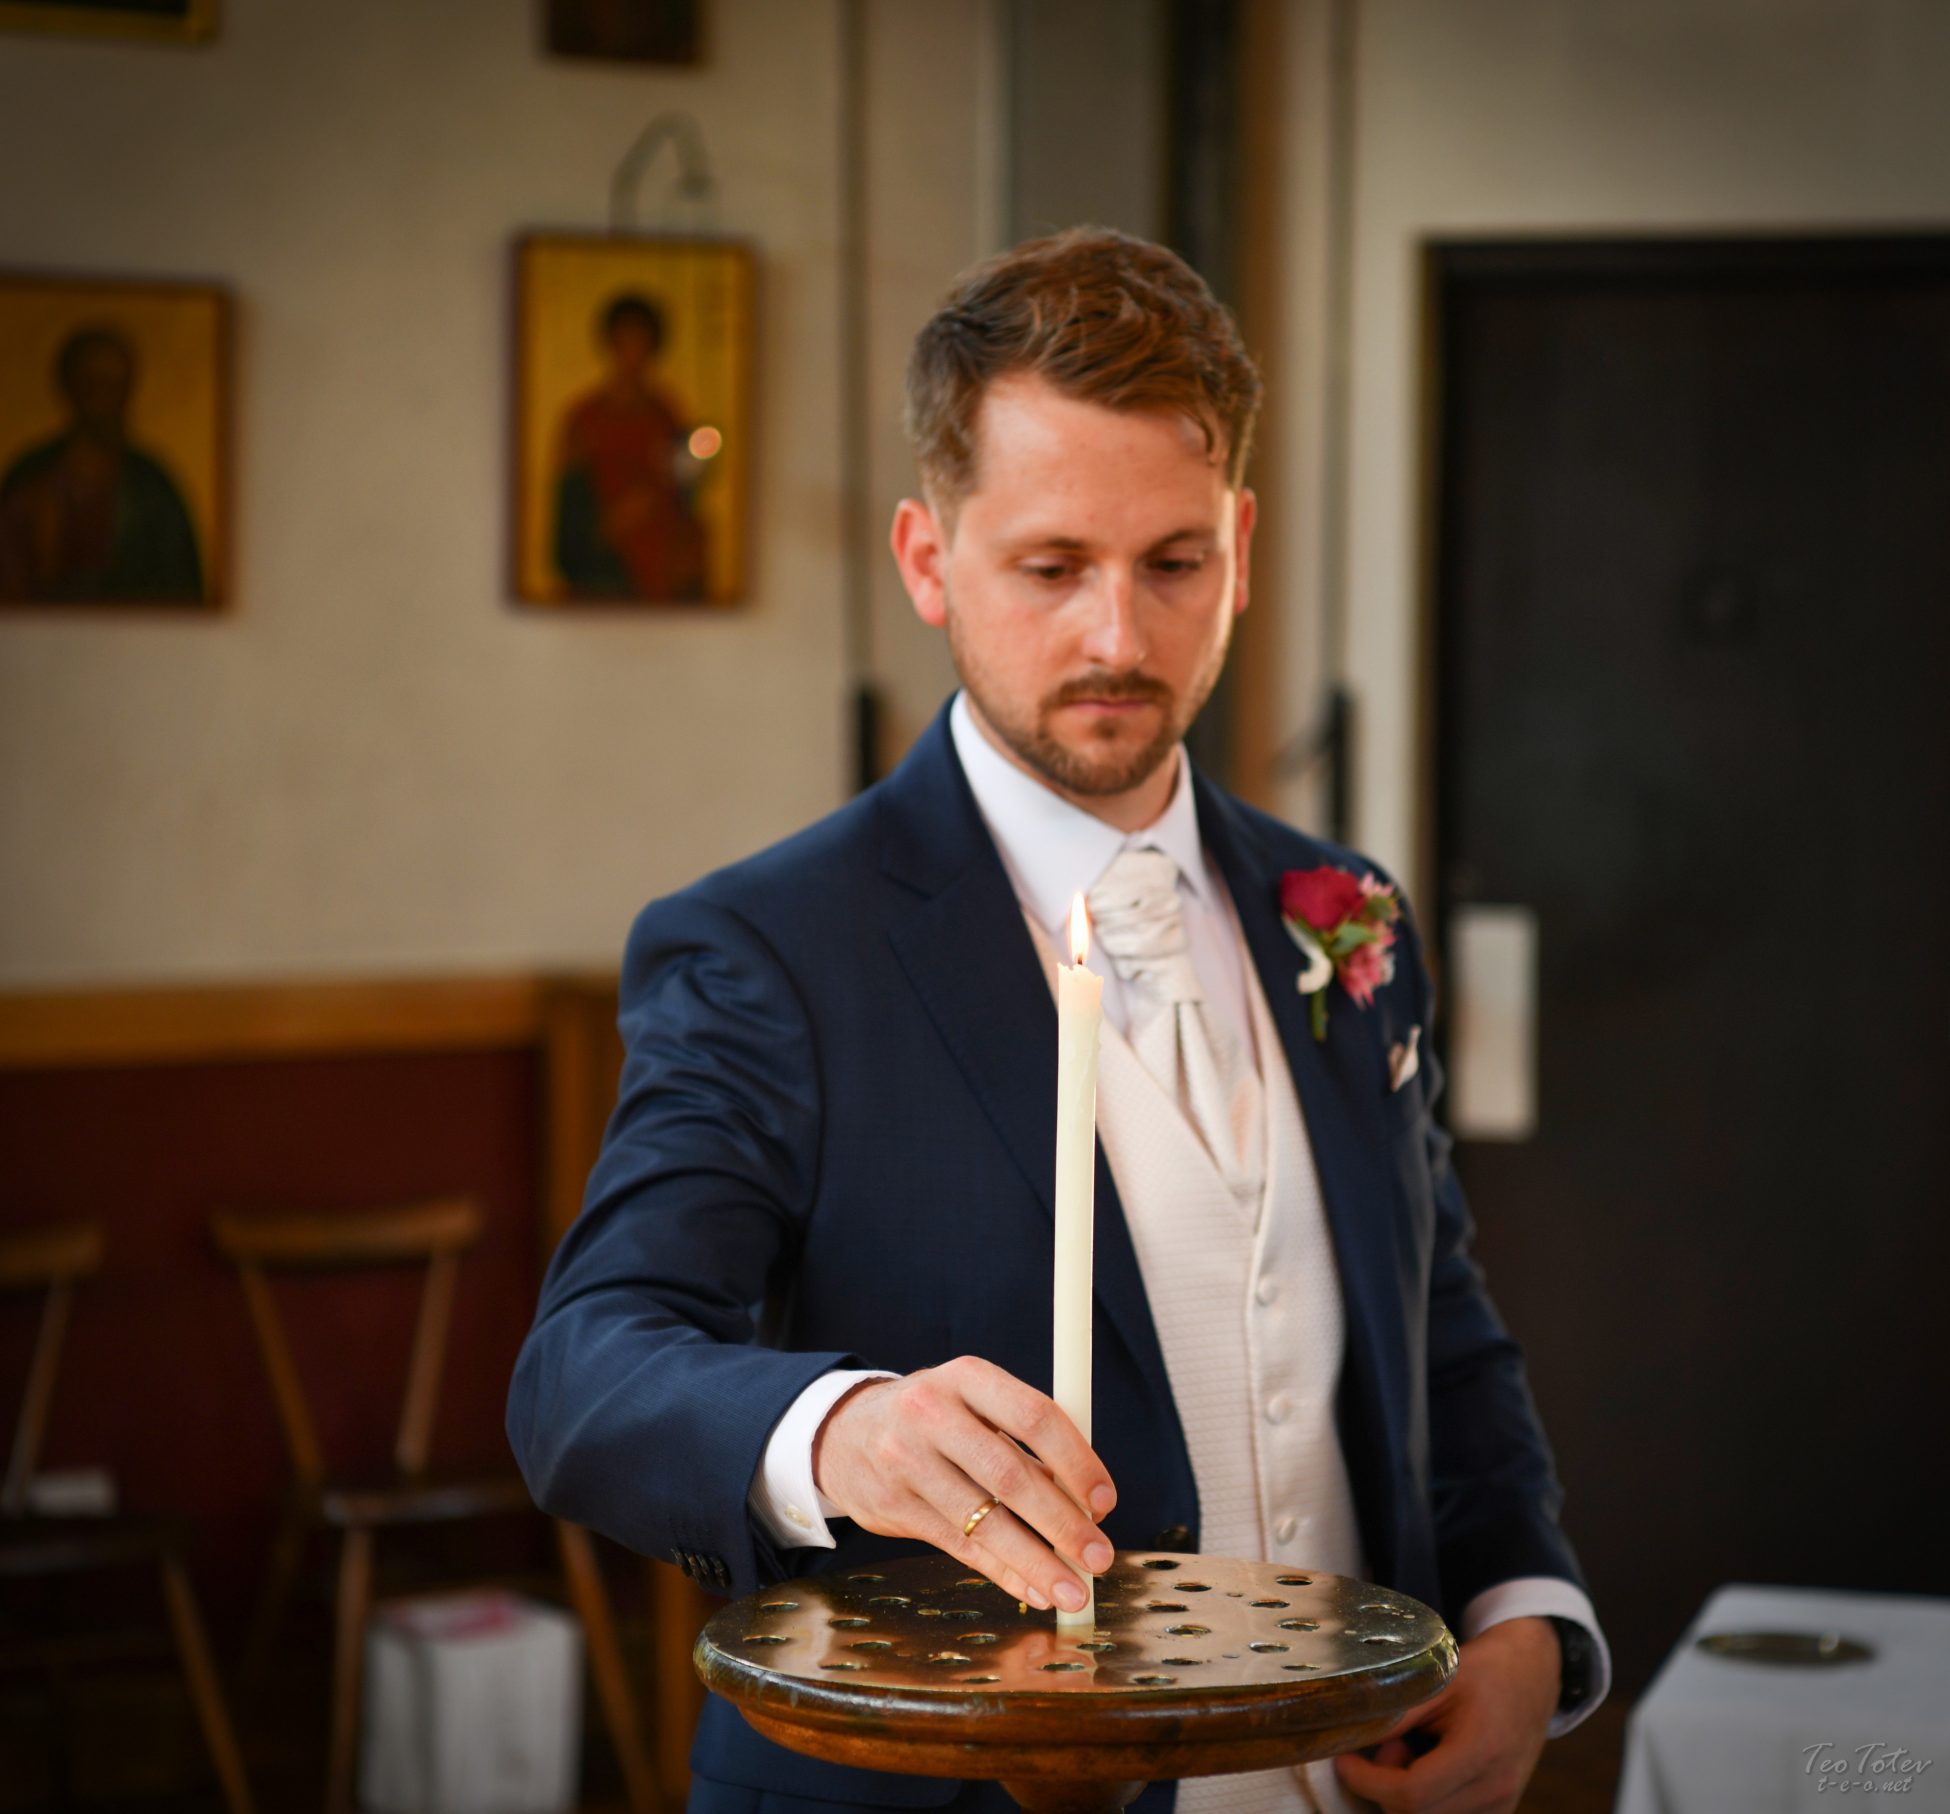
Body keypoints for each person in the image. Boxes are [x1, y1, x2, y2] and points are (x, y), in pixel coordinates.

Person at [509, 228, 1608, 1813]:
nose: (1117, 637)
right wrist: (837, 1432)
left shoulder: (1341, 910)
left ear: (1238, 541)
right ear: (925, 558)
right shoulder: (766, 947)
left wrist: (1519, 1617)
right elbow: (582, 1369)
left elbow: (1438, 1326)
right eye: (1048, 567)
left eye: (1172, 563)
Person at [0, 324, 205, 604]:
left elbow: (182, 588)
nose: (103, 399)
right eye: (92, 384)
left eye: (114, 385)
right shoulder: (31, 474)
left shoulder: (152, 484)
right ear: (70, 387)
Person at [552, 291, 710, 601]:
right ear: (611, 345)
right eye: (625, 343)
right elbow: (569, 502)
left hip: (659, 556)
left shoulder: (665, 414)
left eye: (642, 344)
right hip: (603, 562)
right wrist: (607, 522)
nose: (633, 355)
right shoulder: (585, 417)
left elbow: (683, 489)